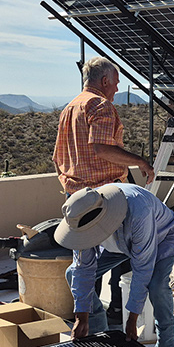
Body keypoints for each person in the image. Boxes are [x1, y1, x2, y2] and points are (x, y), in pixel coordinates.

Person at [54, 56, 155, 322]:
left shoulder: (70, 107)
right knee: (122, 252)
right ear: (105, 80)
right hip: (104, 198)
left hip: (76, 196)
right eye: (116, 82)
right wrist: (140, 162)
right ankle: (113, 314)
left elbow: (57, 157)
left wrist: (70, 186)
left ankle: (87, 318)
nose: (117, 89)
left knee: (85, 257)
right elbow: (101, 148)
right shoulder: (100, 104)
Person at [55, 182, 174, 347]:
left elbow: (142, 268)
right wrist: (81, 317)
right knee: (72, 273)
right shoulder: (82, 215)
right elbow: (83, 268)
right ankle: (101, 334)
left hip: (161, 237)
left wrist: (132, 318)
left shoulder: (139, 212)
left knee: (157, 286)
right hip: (119, 244)